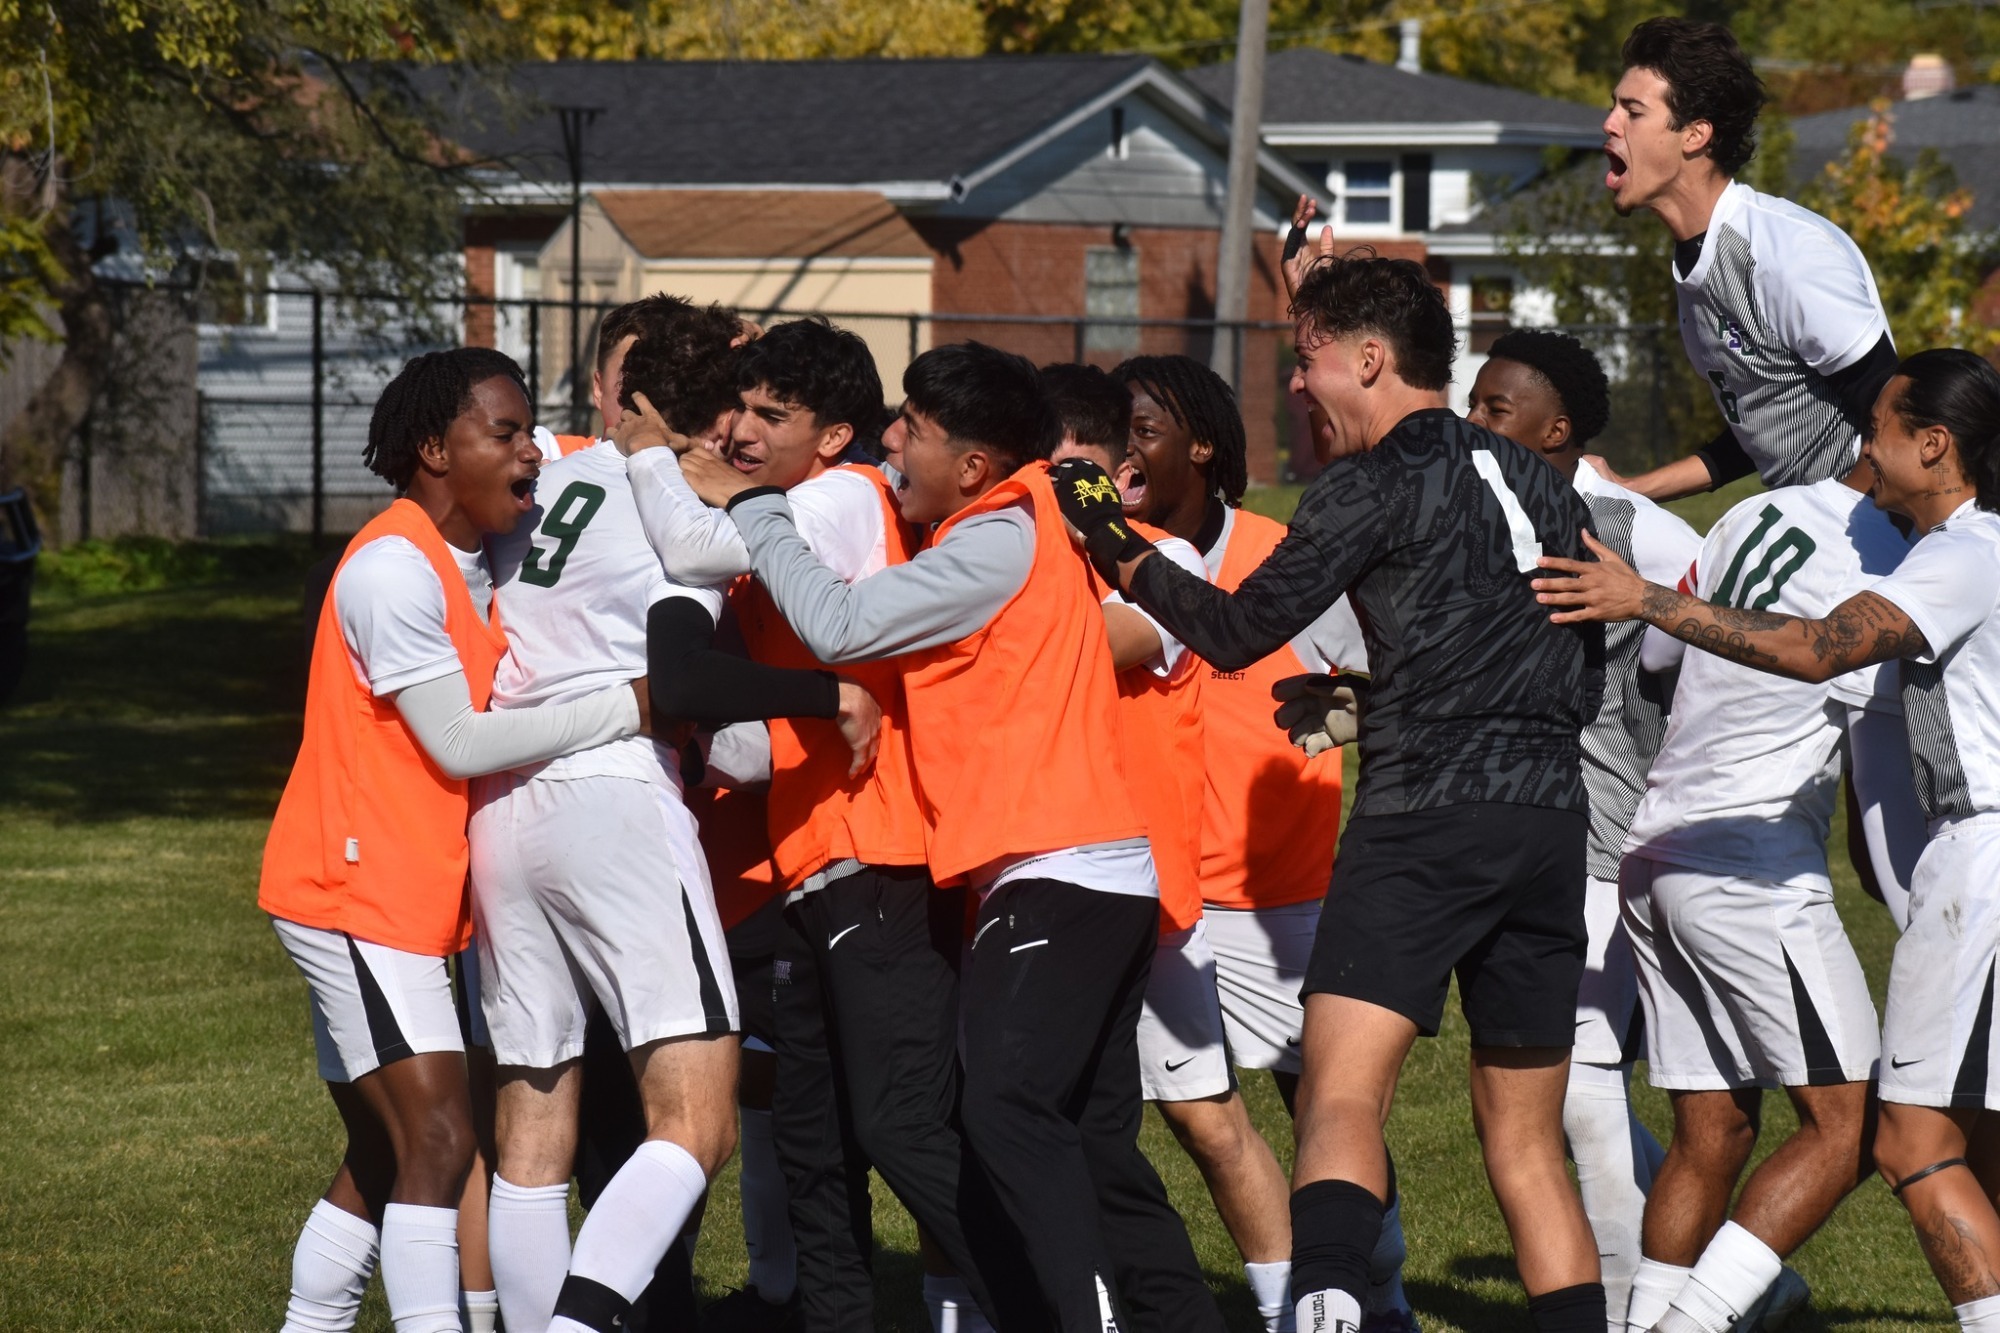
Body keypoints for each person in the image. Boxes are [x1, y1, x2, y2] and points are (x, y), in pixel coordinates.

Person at [1064, 251, 1609, 1333]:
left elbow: (1226, 631)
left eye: (1308, 359)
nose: (1299, 384)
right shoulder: (1544, 481)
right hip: (1547, 822)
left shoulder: (1367, 481)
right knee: (1523, 1142)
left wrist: (1109, 538)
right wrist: (1385, 688)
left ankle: (1320, 1307)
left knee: (1340, 1092)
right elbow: (1571, 669)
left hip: (1422, 817)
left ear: (1370, 357)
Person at [679, 341, 1218, 1332]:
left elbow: (838, 624)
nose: (894, 441)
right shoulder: (1011, 520)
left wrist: (750, 507)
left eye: (913, 429)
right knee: (1090, 1144)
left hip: (1058, 867)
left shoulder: (998, 532)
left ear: (971, 462)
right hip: (1084, 870)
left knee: (1002, 1112)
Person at [1532, 347, 2000, 1333]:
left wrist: (1647, 599)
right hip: (1749, 864)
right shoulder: (1915, 549)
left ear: (1935, 443)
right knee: (1871, 1130)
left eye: (1879, 420)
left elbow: (1699, 657)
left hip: (1657, 849)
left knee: (1730, 1130)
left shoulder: (1789, 521)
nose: (1861, 440)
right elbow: (1811, 658)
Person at [468, 298, 882, 1333]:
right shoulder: (685, 502)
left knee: (532, 1121)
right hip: (610, 793)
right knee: (697, 1120)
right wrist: (823, 694)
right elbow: (688, 667)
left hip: (502, 805)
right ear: (704, 416)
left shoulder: (545, 485)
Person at [622, 318, 1030, 1332]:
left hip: (878, 855)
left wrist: (647, 457)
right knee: (810, 1135)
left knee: (901, 1124)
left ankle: (1046, 1301)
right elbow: (759, 743)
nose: (742, 430)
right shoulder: (789, 503)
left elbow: (690, 539)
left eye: (773, 414)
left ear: (837, 437)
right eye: (737, 409)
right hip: (811, 859)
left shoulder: (839, 500)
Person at [261, 347, 649, 1333]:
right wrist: (625, 707)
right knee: (438, 1137)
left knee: (388, 1154)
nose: (530, 453)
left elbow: (583, 454)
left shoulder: (466, 544)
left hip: (401, 895)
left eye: (529, 430)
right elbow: (459, 739)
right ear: (435, 449)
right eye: (505, 433)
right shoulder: (393, 569)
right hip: (354, 893)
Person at [1060, 355, 1413, 1333]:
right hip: (1157, 887)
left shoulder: (1283, 552)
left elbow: (1385, 685)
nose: (1121, 452)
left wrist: (1331, 723)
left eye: (1140, 431)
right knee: (1195, 1116)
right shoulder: (1101, 550)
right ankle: (1286, 1306)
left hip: (1282, 892)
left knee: (1327, 1119)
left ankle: (1374, 1293)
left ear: (1199, 447)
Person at [1466, 330, 1700, 1330]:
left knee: (1574, 1083)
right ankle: (1737, 1281)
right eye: (1470, 404)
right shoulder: (1466, 514)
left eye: (1493, 409)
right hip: (1515, 843)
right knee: (1573, 1082)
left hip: (1612, 847)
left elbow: (1722, 650)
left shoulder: (1636, 532)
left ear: (1555, 429)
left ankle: (1618, 1302)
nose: (1471, 425)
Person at [1592, 16, 1897, 503]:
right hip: (1816, 525)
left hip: (1878, 534)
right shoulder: (1696, 260)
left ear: (1694, 135)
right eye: (1614, 107)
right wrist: (1632, 489)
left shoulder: (1785, 253)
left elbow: (1896, 414)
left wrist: (1829, 522)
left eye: (1632, 111)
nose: (1609, 123)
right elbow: (1765, 429)